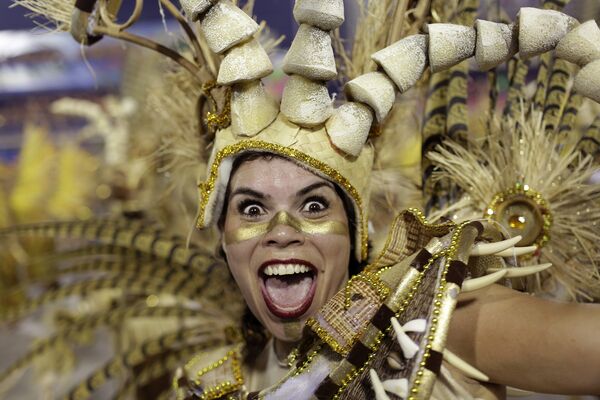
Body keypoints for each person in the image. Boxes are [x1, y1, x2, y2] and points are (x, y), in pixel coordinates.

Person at [3, 0, 600, 399]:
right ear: (221, 238)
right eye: (252, 208)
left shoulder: (428, 326)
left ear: (357, 234)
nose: (280, 230)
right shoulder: (204, 384)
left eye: (315, 206)